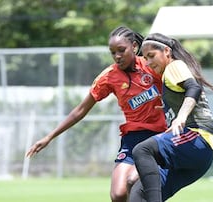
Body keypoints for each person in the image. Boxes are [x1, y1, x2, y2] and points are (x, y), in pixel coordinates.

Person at [25, 26, 167, 202]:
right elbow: (80, 110)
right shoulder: (109, 77)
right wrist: (49, 137)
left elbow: (180, 83)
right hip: (132, 139)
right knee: (118, 194)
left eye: (121, 50)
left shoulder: (151, 65)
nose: (117, 56)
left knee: (133, 181)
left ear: (134, 46)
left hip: (158, 137)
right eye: (113, 52)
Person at [129, 33, 213, 202]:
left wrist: (180, 116)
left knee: (142, 150)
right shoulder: (175, 76)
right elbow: (205, 115)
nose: (149, 63)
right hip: (198, 154)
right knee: (139, 194)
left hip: (196, 141)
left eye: (151, 56)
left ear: (167, 51)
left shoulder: (174, 66)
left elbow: (193, 88)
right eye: (145, 58)